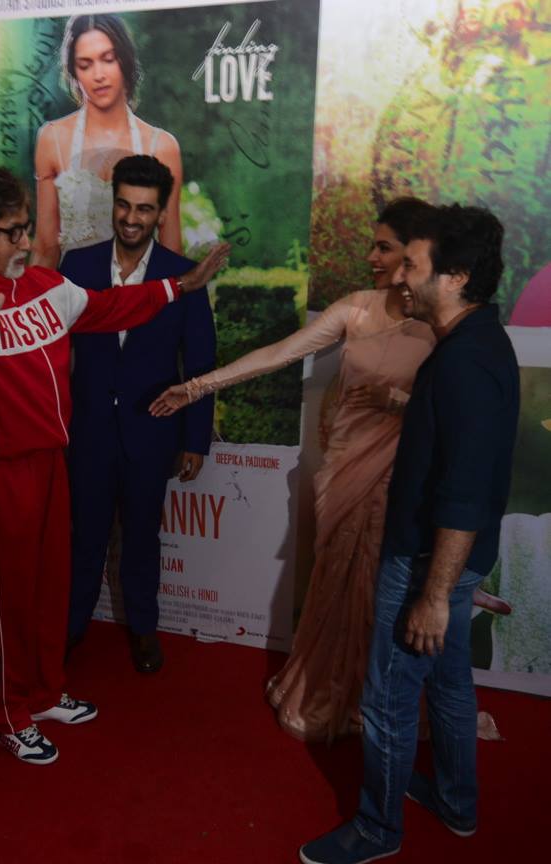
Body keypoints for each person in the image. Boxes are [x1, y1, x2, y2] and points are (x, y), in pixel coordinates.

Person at [0, 166, 227, 765]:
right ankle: (5, 714)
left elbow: (111, 306)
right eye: (10, 232)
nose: (25, 242)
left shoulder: (38, 282)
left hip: (50, 457)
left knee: (47, 585)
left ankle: (42, 690)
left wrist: (177, 288)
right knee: (8, 598)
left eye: (27, 227)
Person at [151, 198, 437, 740]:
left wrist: (397, 400)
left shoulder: (437, 326)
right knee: (334, 582)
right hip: (343, 469)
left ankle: (373, 699)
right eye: (373, 244)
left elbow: (452, 410)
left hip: (396, 480)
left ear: (415, 254)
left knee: (378, 591)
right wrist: (196, 387)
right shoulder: (356, 308)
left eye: (384, 246)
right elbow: (278, 353)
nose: (371, 256)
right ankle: (329, 687)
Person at [298, 203, 519, 864]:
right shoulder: (473, 342)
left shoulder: (463, 363)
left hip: (427, 566)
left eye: (414, 266)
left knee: (388, 697)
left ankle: (376, 826)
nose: (400, 279)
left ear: (452, 277)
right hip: (445, 565)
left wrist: (431, 592)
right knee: (449, 684)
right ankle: (455, 800)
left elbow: (463, 494)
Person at [62, 154, 216, 673]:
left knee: (143, 538)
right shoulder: (76, 266)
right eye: (124, 204)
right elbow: (58, 357)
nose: (131, 218)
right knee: (84, 536)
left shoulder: (183, 277)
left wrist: (195, 439)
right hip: (88, 433)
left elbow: (199, 362)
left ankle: (145, 630)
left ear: (161, 211)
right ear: (114, 201)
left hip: (151, 432)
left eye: (144, 209)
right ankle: (70, 626)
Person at [32, 13, 182, 268]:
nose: (98, 74)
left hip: (138, 300)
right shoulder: (52, 139)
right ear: (73, 72)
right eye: (85, 64)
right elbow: (46, 247)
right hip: (75, 299)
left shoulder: (162, 146)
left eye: (107, 59)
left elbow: (171, 250)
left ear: (124, 60)